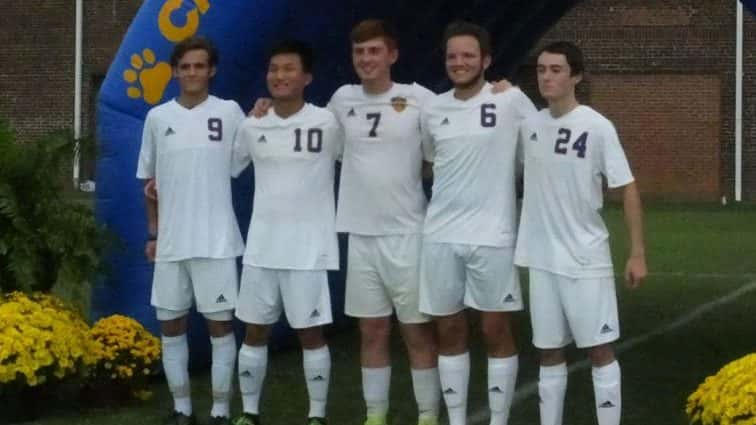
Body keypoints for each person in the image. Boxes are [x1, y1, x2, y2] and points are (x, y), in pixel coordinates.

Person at [514, 41, 647, 425]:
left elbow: (628, 187)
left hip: (585, 257)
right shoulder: (530, 125)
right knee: (549, 351)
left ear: (576, 75)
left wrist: (637, 252)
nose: (547, 77)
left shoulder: (597, 126)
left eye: (556, 69)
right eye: (541, 70)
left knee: (599, 349)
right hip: (541, 258)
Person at [419, 21, 536, 425]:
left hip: (493, 234)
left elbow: (537, 154)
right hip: (440, 235)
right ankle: (455, 419)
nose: (459, 62)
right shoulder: (433, 109)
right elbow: (432, 163)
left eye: (468, 55)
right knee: (448, 332)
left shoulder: (512, 101)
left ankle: (498, 419)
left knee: (495, 330)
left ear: (486, 60)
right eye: (453, 56)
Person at [230, 40, 342, 425]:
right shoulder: (252, 124)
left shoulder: (328, 122)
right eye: (274, 69)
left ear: (307, 77)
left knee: (310, 334)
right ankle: (249, 412)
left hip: (308, 251)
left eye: (289, 68)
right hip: (261, 249)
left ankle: (316, 415)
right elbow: (227, 167)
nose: (280, 75)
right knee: (254, 331)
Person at [136, 36, 244, 425]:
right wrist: (153, 232)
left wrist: (266, 113)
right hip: (170, 243)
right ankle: (182, 408)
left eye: (200, 66)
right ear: (175, 71)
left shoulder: (231, 112)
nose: (193, 73)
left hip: (216, 240)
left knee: (220, 326)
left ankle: (219, 410)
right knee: (170, 325)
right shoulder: (157, 117)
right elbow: (148, 180)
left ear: (211, 70)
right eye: (186, 67)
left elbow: (250, 157)